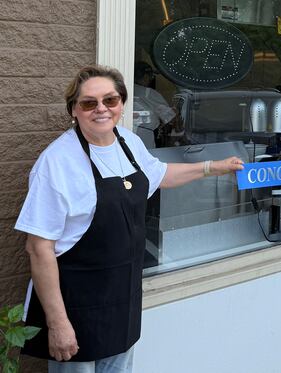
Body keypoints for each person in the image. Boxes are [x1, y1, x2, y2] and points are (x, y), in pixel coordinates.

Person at [15, 64, 244, 372]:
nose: (101, 109)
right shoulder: (57, 163)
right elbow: (38, 248)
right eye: (89, 103)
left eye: (110, 100)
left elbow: (159, 174)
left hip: (122, 298)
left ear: (121, 103)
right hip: (75, 304)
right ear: (73, 110)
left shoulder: (128, 142)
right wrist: (58, 323)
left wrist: (213, 167)